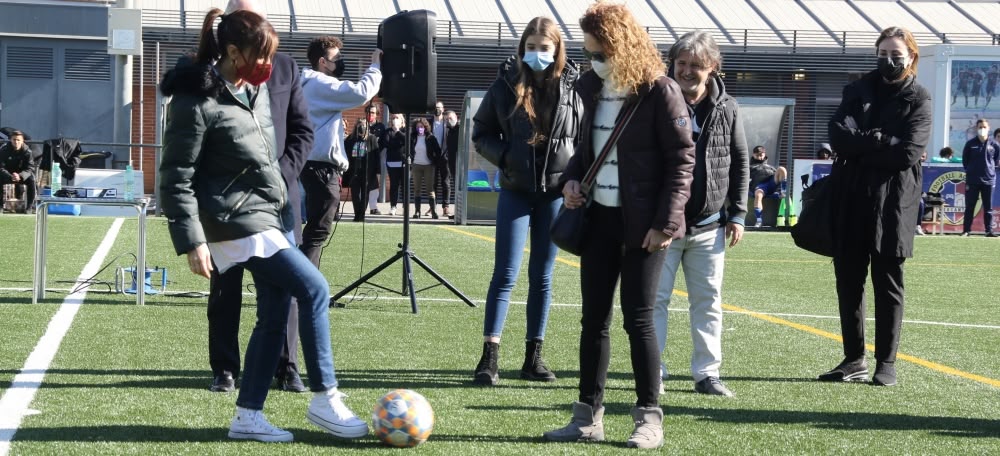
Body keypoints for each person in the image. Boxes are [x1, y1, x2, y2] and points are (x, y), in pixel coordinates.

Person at [159, 8, 368, 442]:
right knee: (314, 288)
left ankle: (248, 415)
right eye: (260, 55)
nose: (268, 66)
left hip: (269, 214)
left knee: (274, 312)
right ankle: (325, 396)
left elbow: (275, 152)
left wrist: (281, 205)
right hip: (232, 220)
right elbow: (175, 175)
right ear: (232, 52)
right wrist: (191, 240)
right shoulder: (194, 100)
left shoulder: (250, 90)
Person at [542, 2, 695, 449]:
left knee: (639, 320)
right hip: (599, 220)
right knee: (594, 321)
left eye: (601, 52)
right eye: (589, 52)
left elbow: (682, 160)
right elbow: (587, 152)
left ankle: (650, 418)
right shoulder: (590, 85)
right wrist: (573, 181)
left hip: (645, 227)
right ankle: (587, 417)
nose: (594, 60)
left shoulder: (661, 91)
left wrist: (667, 223)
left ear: (622, 47)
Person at [205, 0, 314, 395]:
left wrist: (279, 177)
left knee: (285, 289)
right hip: (228, 203)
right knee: (225, 288)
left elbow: (303, 131)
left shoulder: (286, 67)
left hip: (280, 200)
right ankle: (225, 368)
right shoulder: (209, 75)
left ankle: (287, 366)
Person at [470, 16, 584, 386]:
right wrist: (505, 157)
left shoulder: (574, 87)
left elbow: (584, 139)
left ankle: (533, 358)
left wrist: (574, 177)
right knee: (505, 273)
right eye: (531, 47)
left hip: (555, 194)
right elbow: (480, 132)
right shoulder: (505, 83)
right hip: (516, 190)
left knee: (542, 276)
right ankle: (489, 356)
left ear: (557, 50)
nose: (537, 54)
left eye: (544, 48)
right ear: (522, 49)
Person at [822, 26, 931, 387]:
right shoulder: (857, 90)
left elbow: (907, 154)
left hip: (894, 203)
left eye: (896, 54)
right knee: (848, 282)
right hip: (851, 198)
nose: (888, 60)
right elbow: (837, 136)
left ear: (911, 57)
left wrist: (863, 140)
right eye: (883, 53)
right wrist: (883, 139)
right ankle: (853, 359)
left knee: (888, 283)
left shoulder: (920, 98)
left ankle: (886, 362)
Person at [652, 30, 750, 398]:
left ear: (712, 68)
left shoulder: (728, 107)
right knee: (655, 301)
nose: (688, 71)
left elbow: (740, 162)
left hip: (709, 225)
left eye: (696, 65)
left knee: (707, 302)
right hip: (662, 225)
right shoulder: (655, 100)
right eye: (682, 63)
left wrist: (738, 214)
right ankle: (654, 372)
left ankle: (707, 374)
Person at [299, 36, 381, 266]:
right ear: (323, 62)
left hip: (314, 165)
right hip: (320, 167)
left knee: (315, 230)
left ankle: (302, 289)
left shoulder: (308, 83)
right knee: (317, 232)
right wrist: (375, 66)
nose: (341, 62)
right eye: (337, 58)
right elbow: (360, 92)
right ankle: (304, 290)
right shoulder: (318, 83)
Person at [961, 118, 999, 237]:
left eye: (984, 127)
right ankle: (966, 230)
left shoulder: (994, 145)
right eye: (980, 127)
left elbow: (996, 160)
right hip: (972, 180)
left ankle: (988, 231)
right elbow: (965, 161)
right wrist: (971, 171)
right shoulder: (970, 144)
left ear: (988, 128)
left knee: (988, 207)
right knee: (970, 206)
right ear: (976, 129)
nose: (982, 129)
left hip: (989, 179)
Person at [345, 117, 381, 222]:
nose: (362, 127)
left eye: (364, 125)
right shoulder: (350, 139)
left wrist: (378, 172)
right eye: (360, 125)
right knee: (355, 194)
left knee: (365, 193)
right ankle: (357, 214)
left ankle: (362, 215)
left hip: (367, 172)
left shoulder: (371, 138)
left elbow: (376, 156)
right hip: (354, 171)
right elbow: (346, 154)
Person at [409, 117, 441, 219]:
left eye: (421, 126)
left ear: (425, 127)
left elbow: (438, 151)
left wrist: (434, 160)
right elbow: (407, 149)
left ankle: (433, 211)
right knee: (417, 189)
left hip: (428, 166)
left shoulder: (431, 137)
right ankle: (417, 212)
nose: (420, 128)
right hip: (416, 165)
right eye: (418, 127)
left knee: (430, 189)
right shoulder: (412, 137)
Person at [748, 145, 787, 227]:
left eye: (761, 154)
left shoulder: (770, 167)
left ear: (764, 154)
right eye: (757, 155)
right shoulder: (749, 167)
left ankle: (783, 191)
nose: (760, 157)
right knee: (758, 194)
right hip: (759, 187)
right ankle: (759, 220)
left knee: (782, 169)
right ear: (753, 155)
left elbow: (779, 175)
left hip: (771, 184)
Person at [0, 130, 36, 213]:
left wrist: (20, 176)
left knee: (32, 179)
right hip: (8, 175)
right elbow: (1, 167)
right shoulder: (3, 150)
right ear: (11, 140)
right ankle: (0, 206)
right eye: (14, 140)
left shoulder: (28, 152)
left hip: (22, 176)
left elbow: (30, 168)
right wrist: (10, 176)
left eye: (18, 140)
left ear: (22, 141)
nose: (16, 142)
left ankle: (30, 207)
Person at [383, 113, 407, 216]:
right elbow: (386, 143)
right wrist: (397, 141)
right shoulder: (387, 131)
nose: (395, 120)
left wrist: (397, 131)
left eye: (397, 118)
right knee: (394, 185)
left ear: (402, 120)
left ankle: (405, 207)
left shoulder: (405, 131)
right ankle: (393, 206)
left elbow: (407, 141)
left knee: (404, 185)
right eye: (393, 118)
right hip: (392, 162)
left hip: (404, 162)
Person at [364, 104, 386, 216]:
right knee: (363, 183)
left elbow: (383, 143)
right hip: (363, 159)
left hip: (376, 158)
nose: (370, 115)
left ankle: (373, 207)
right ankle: (361, 207)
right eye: (368, 112)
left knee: (374, 184)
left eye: (373, 113)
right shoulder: (362, 124)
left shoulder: (381, 127)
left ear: (377, 114)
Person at [443, 109, 461, 219]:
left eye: (451, 118)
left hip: (461, 164)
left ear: (456, 117)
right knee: (456, 187)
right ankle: (458, 212)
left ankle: (460, 212)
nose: (449, 121)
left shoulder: (461, 129)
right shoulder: (449, 131)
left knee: (460, 187)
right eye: (447, 119)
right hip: (452, 164)